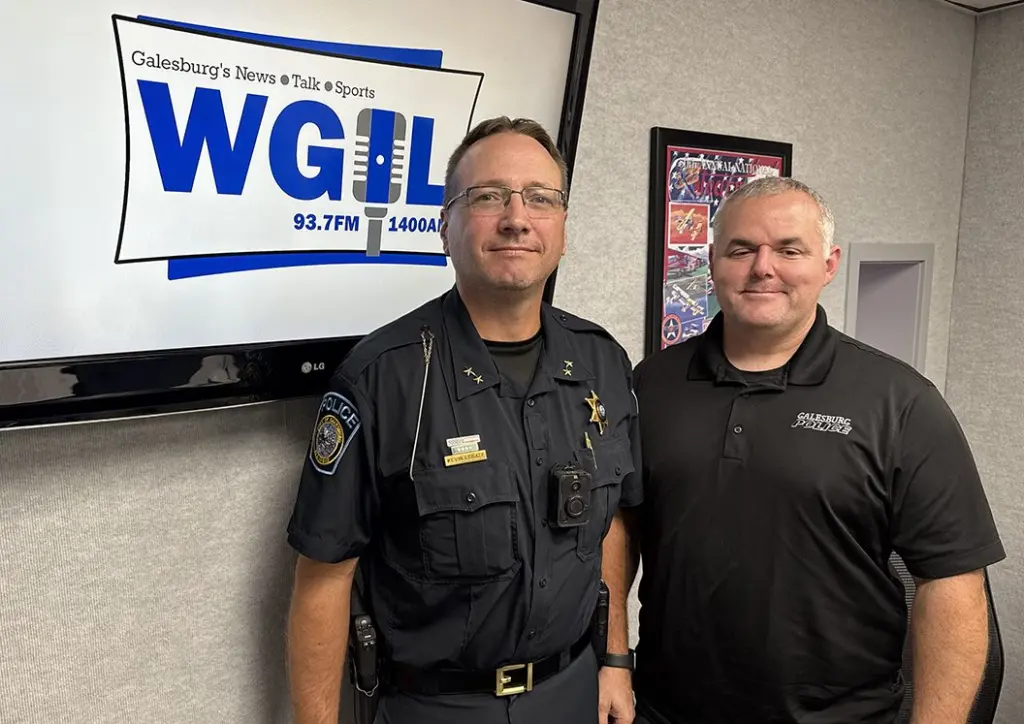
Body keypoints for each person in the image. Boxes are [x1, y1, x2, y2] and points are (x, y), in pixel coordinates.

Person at [284, 116, 642, 724]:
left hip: (572, 690)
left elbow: (607, 524)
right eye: (487, 197)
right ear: (444, 228)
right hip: (435, 705)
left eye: (540, 198)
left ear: (562, 230)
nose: (516, 218)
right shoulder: (382, 378)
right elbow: (324, 578)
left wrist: (614, 660)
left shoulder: (603, 363)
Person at [611, 176, 1005, 723]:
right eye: (741, 249)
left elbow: (952, 582)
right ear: (712, 262)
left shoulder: (901, 402)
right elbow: (619, 526)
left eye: (789, 250)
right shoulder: (650, 384)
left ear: (829, 264)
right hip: (664, 711)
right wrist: (613, 658)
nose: (763, 268)